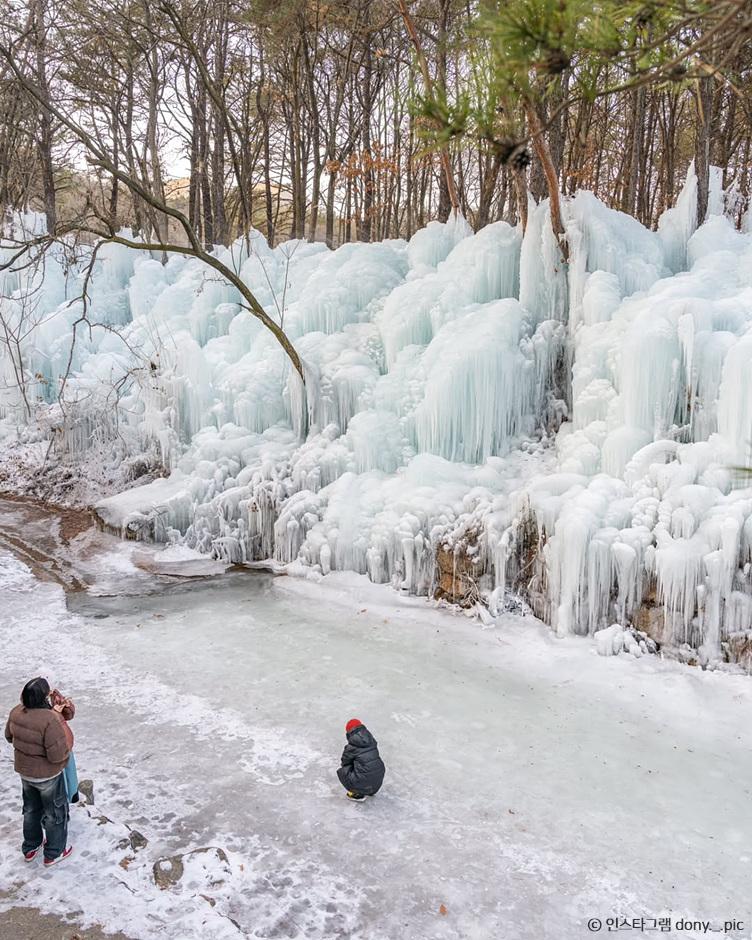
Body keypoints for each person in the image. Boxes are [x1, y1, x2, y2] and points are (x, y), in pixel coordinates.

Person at [4, 677, 73, 866]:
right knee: (54, 814)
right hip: (48, 776)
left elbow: (9, 736)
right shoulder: (50, 719)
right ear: (43, 697)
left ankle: (31, 847)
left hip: (25, 773)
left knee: (31, 810)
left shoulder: (16, 712)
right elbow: (57, 755)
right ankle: (54, 853)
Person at [336, 718, 385, 801]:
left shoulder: (351, 747)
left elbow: (344, 763)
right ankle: (369, 789)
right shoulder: (372, 741)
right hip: (377, 783)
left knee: (343, 771)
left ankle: (357, 793)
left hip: (362, 782)